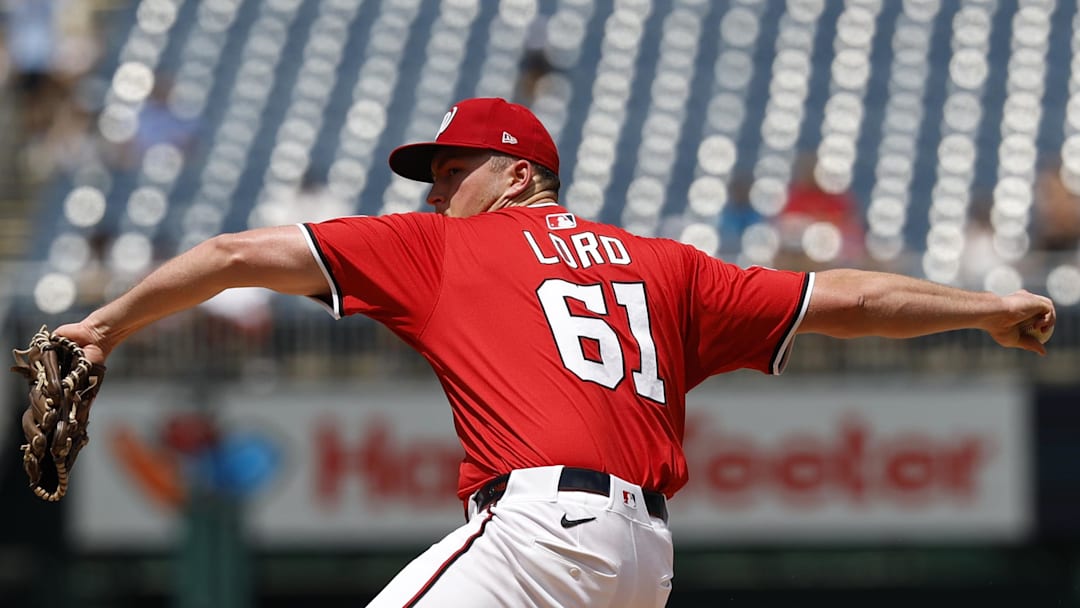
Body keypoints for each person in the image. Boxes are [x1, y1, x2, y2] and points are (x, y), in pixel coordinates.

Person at [52, 97, 1056, 607]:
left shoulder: (442, 248)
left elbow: (234, 254)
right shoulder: (666, 265)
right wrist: (989, 308)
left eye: (452, 169)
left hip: (544, 531)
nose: (434, 191)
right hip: (644, 562)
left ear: (517, 173)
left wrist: (106, 324)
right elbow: (850, 298)